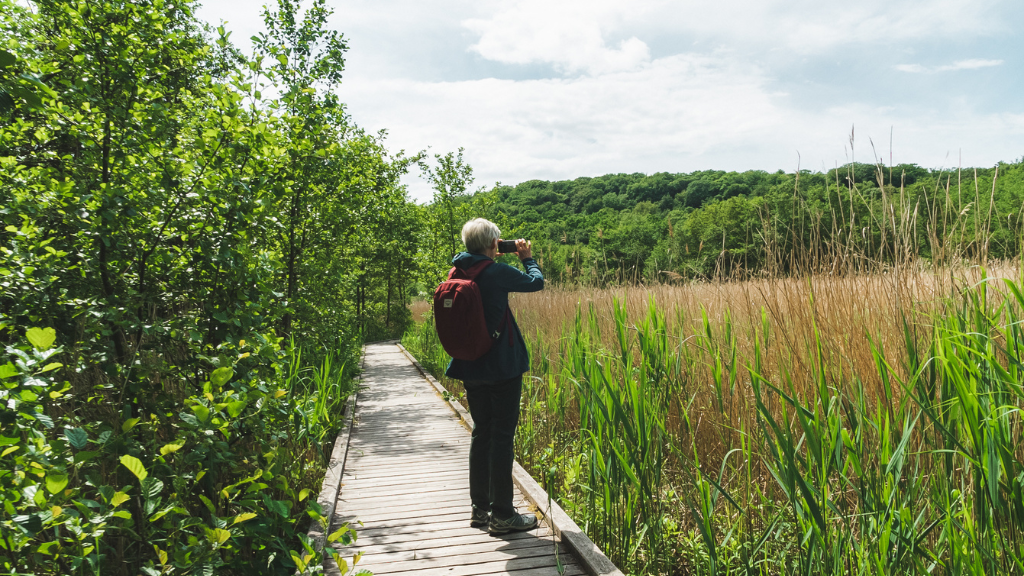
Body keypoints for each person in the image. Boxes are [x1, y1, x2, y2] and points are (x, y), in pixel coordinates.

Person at [445, 217, 544, 534]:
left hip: (469, 366)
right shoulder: (496, 271)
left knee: (481, 433)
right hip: (501, 367)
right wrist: (527, 259)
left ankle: (480, 510)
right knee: (502, 438)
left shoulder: (456, 272)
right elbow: (536, 283)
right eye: (497, 241)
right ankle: (503, 514)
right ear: (492, 245)